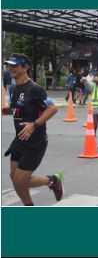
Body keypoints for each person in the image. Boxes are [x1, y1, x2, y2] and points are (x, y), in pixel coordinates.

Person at [2, 54, 63, 206]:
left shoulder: (35, 89)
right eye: (9, 66)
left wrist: (34, 124)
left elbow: (52, 108)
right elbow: (18, 110)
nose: (11, 69)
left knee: (20, 179)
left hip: (35, 141)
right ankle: (29, 207)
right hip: (19, 139)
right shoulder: (15, 89)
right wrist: (4, 111)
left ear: (26, 67)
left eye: (14, 66)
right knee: (14, 177)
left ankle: (53, 180)